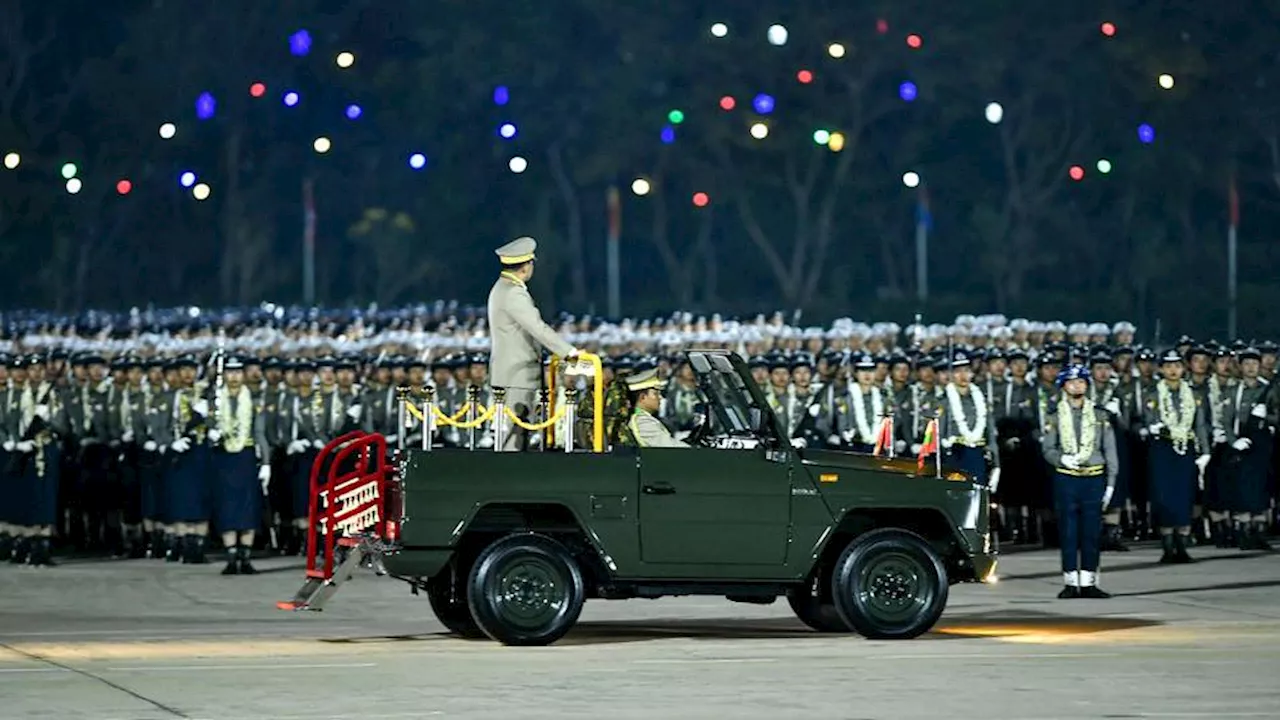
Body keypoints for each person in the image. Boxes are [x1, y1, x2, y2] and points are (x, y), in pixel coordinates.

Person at [487, 236, 581, 451]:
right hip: (516, 376)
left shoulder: (502, 288)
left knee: (517, 437)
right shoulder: (513, 293)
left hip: (511, 374)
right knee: (513, 440)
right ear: (526, 265)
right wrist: (570, 353)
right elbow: (537, 328)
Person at [1040, 364, 1118, 599]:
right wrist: (1061, 459)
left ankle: (1089, 581)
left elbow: (1110, 449)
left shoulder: (1100, 416)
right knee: (1069, 531)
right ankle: (1071, 581)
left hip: (1093, 477)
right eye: (1072, 382)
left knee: (1092, 532)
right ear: (1064, 386)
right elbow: (1048, 448)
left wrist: (1111, 482)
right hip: (1067, 478)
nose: (1077, 386)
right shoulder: (1054, 416)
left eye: (1082, 382)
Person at [1140, 349, 1211, 563]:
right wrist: (1150, 428)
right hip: (1162, 448)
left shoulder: (1193, 395)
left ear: (1183, 368)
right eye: (1168, 366)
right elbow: (1146, 419)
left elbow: (1199, 425)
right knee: (1164, 495)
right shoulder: (1152, 393)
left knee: (1184, 494)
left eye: (1177, 365)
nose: (1173, 370)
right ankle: (1167, 545)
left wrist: (1205, 451)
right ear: (1161, 369)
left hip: (1185, 447)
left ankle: (1182, 544)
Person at [625, 369, 690, 448]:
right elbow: (671, 448)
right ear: (642, 397)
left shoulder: (641, 418)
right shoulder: (643, 422)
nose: (660, 398)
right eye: (655, 394)